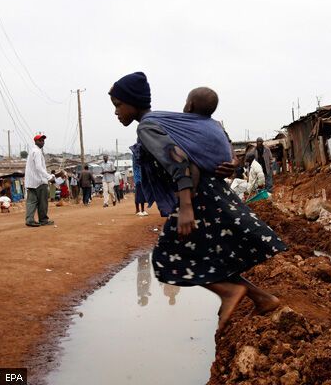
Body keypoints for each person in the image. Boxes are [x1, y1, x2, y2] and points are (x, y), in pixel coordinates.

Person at [109, 72, 286, 332]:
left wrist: (186, 208)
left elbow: (180, 161)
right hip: (208, 193)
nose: (116, 112)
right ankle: (262, 298)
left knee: (168, 259)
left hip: (195, 196)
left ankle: (229, 292)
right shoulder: (168, 121)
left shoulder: (147, 126)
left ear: (133, 102)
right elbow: (212, 142)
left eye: (118, 105)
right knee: (207, 254)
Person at [24, 134, 55, 227]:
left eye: (43, 140)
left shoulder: (32, 151)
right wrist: (49, 177)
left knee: (31, 202)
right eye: (40, 140)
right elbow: (38, 167)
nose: (43, 142)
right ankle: (43, 220)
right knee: (42, 202)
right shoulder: (37, 152)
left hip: (30, 182)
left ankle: (29, 220)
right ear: (36, 141)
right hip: (39, 181)